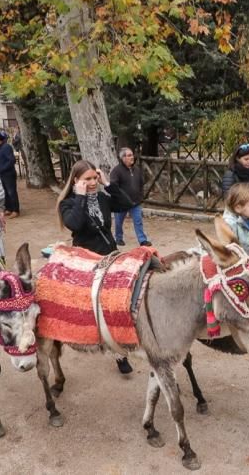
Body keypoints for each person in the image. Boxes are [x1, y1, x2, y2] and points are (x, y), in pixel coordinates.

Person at [57, 159, 137, 374]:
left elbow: (127, 203)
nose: (92, 182)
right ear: (76, 180)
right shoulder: (68, 203)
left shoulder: (102, 197)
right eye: (87, 179)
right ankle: (94, 338)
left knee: (118, 302)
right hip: (86, 260)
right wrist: (81, 197)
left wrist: (108, 183)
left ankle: (119, 352)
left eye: (94, 178)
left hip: (110, 256)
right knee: (94, 305)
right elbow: (74, 224)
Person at [109, 147, 151, 247]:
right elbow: (113, 187)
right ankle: (118, 238)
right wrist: (119, 198)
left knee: (138, 221)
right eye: (129, 155)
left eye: (132, 155)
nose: (132, 157)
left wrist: (141, 197)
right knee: (118, 222)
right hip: (121, 203)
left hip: (135, 202)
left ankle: (142, 240)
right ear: (123, 158)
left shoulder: (137, 169)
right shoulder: (116, 171)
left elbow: (141, 184)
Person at [0, 131, 20, 218]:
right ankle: (9, 208)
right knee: (5, 192)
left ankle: (15, 210)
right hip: (0, 174)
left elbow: (11, 160)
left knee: (11, 192)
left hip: (8, 174)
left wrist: (2, 169)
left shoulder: (6, 147)